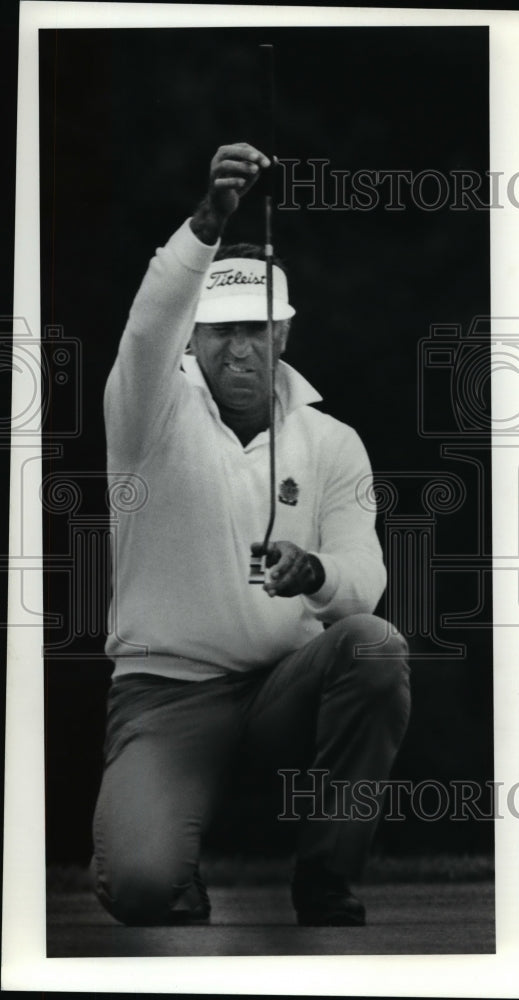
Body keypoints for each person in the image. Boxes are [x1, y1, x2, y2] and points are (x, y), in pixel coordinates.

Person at [92, 142, 411, 927]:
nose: (239, 348)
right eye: (219, 331)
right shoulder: (148, 414)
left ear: (283, 336)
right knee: (140, 888)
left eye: (256, 331)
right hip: (168, 693)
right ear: (192, 342)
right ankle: (175, 866)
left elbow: (364, 578)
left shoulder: (332, 442)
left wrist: (315, 574)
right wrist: (207, 222)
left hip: (282, 688)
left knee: (374, 644)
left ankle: (325, 876)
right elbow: (145, 327)